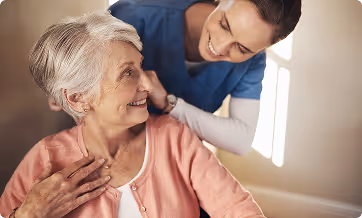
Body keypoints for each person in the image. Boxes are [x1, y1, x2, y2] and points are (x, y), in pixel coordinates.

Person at [0, 12, 265, 218]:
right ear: (78, 98)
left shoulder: (174, 137)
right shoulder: (46, 158)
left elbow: (238, 209)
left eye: (140, 65)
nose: (148, 83)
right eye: (127, 73)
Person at [107, 0, 302, 156]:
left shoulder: (253, 62)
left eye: (242, 48)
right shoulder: (131, 16)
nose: (220, 46)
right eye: (224, 25)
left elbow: (241, 140)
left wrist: (171, 105)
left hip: (173, 160)